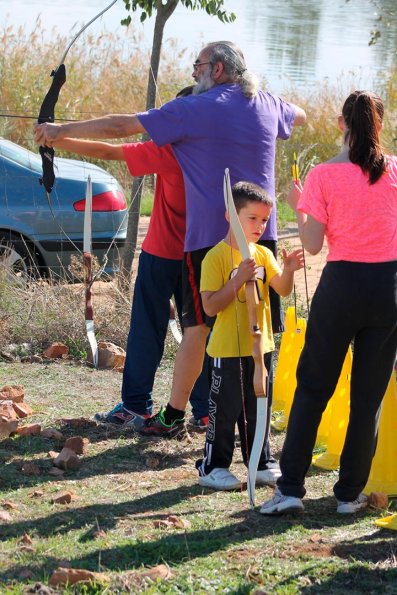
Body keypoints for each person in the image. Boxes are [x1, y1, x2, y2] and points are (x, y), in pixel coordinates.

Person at [34, 41, 306, 443]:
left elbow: (120, 129)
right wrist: (265, 100)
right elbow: (299, 115)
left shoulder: (193, 110)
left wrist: (60, 131)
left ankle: (176, 414)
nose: (193, 71)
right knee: (255, 333)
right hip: (259, 241)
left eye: (198, 64)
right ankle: (243, 423)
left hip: (209, 244)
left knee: (197, 330)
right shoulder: (266, 103)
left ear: (215, 69)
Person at [260, 90, 397, 515]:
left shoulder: (322, 176)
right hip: (388, 288)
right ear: (379, 125)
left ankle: (291, 489)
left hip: (341, 287)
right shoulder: (395, 171)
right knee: (368, 397)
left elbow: (313, 245)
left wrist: (299, 205)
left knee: (313, 387)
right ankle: (349, 495)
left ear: (342, 124)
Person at [52, 129, 210, 430]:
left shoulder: (171, 147)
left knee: (146, 329)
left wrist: (58, 138)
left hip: (163, 252)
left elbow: (109, 150)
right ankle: (205, 411)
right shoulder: (219, 152)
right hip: (202, 254)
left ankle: (136, 407)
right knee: (200, 333)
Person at [196, 181, 304, 489]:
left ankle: (260, 463)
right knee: (225, 410)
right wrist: (237, 280)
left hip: (262, 347)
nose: (259, 226)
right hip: (227, 350)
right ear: (231, 215)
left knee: (260, 407)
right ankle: (213, 467)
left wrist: (290, 270)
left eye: (264, 220)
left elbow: (280, 288)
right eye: (252, 218)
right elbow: (211, 306)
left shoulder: (263, 254)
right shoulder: (215, 257)